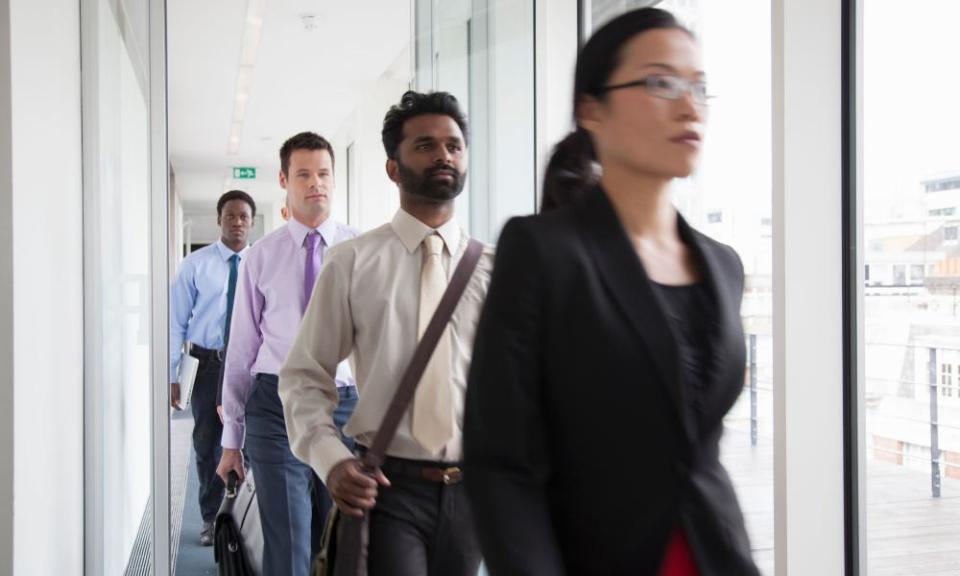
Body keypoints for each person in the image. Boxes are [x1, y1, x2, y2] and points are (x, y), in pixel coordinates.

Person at [463, 8, 761, 576]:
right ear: (591, 109)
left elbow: (699, 449)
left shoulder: (723, 266)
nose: (688, 105)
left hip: (713, 555)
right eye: (660, 82)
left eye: (699, 87)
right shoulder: (542, 251)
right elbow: (501, 464)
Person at [279, 90, 492, 576]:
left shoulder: (496, 270)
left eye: (454, 146)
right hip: (387, 487)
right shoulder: (353, 262)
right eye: (425, 145)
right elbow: (304, 376)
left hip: (475, 490)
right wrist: (331, 460)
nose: (443, 155)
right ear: (393, 168)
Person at [216, 132, 359, 576]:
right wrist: (231, 441)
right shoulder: (261, 256)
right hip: (276, 405)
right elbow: (241, 349)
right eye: (303, 174)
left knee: (342, 539)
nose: (316, 183)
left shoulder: (362, 250)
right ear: (284, 180)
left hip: (345, 406)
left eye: (323, 173)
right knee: (291, 543)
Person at [170, 189, 255, 546]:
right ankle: (210, 519)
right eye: (230, 215)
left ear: (251, 223)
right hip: (208, 364)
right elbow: (175, 322)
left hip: (250, 365)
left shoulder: (261, 262)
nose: (237, 222)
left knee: (250, 444)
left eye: (244, 217)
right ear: (219, 219)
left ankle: (245, 520)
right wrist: (171, 376)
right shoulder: (195, 265)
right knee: (208, 444)